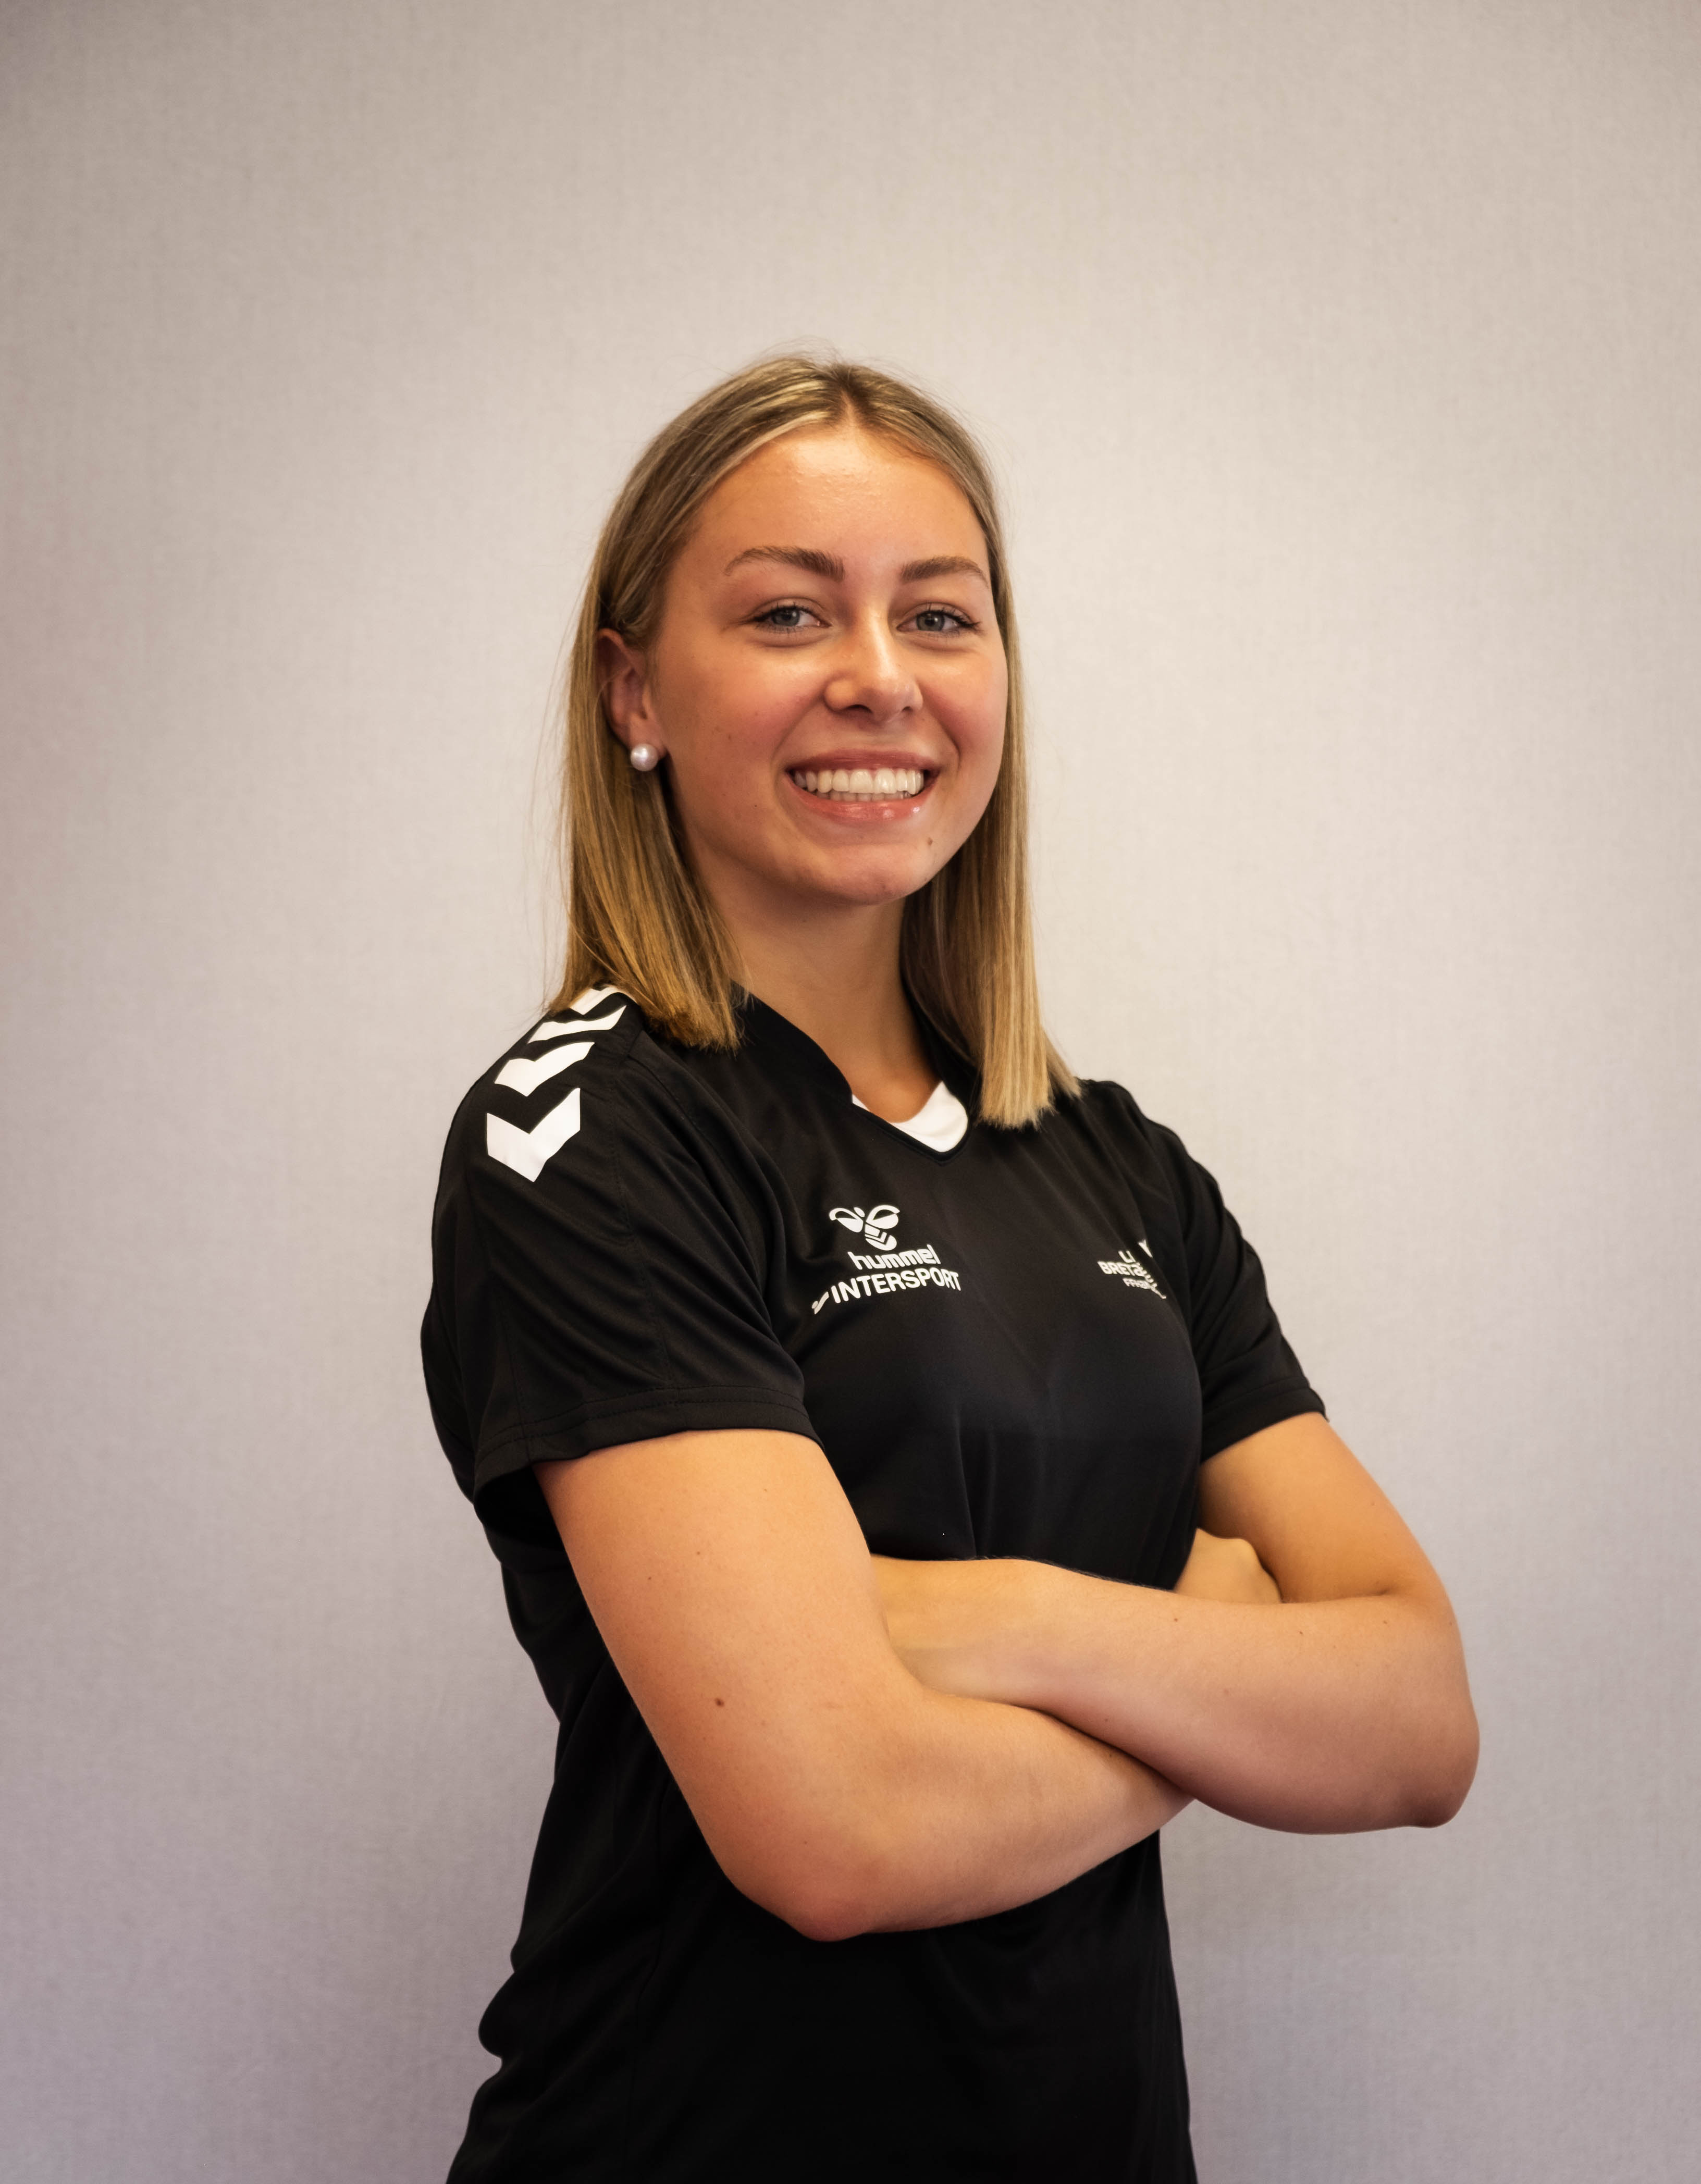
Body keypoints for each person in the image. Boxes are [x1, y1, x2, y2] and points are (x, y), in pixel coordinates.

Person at [421, 354, 1478, 2183]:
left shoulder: (1118, 1162)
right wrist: (1214, 1668)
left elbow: (1419, 1726)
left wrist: (988, 1620)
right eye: (786, 613)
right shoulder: (589, 1134)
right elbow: (839, 1835)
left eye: (938, 613)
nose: (880, 677)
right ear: (634, 691)